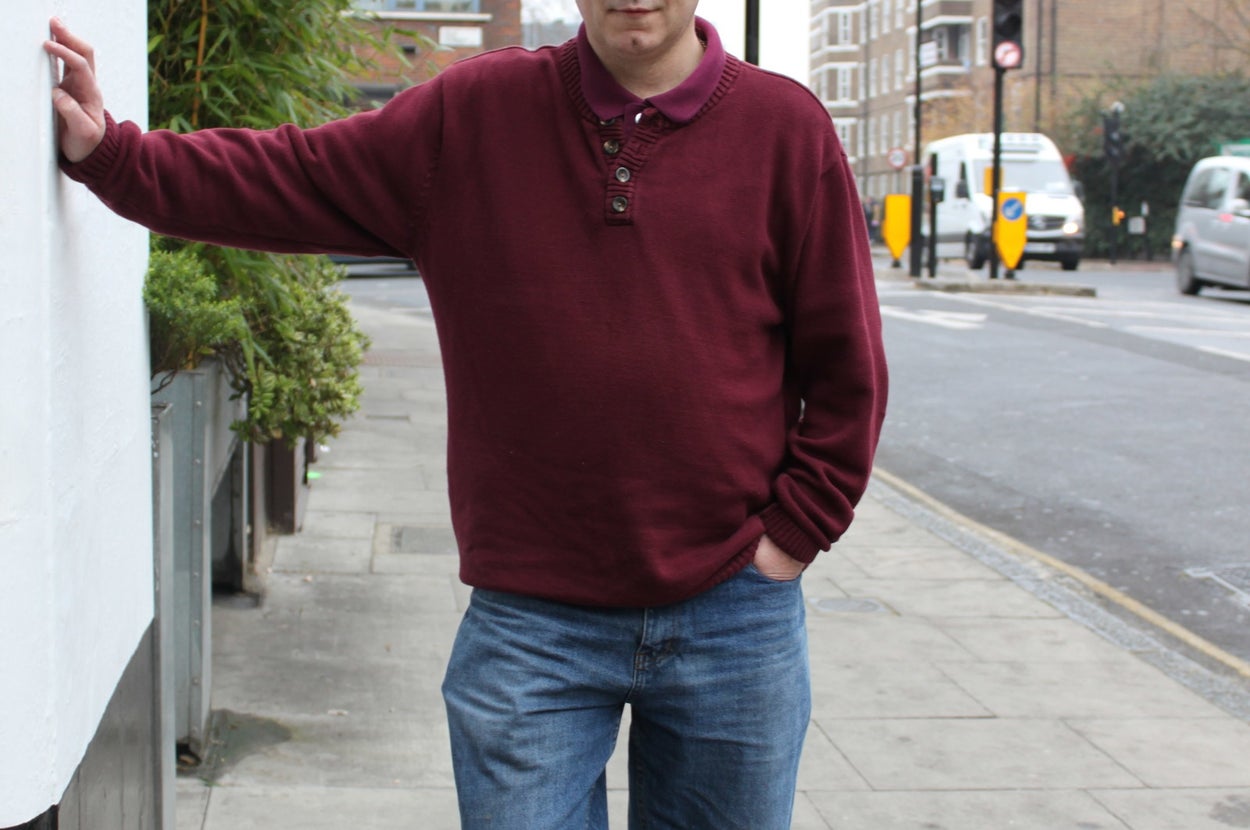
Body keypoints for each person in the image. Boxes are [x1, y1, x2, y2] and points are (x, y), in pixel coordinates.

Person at [46, 2, 887, 827]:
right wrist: (111, 155)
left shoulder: (786, 131)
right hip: (533, 622)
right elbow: (292, 174)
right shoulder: (473, 116)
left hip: (732, 614)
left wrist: (793, 535)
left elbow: (848, 365)